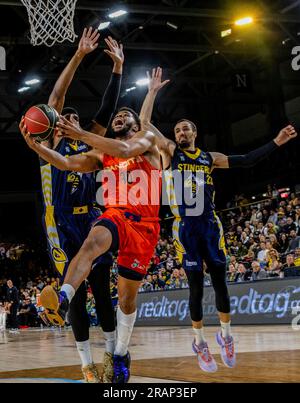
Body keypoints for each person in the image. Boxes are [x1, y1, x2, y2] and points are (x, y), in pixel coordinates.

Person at [139, 66, 297, 373]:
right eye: (177, 130)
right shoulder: (171, 153)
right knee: (196, 288)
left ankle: (226, 336)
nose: (180, 133)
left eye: (185, 129)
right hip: (185, 227)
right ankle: (199, 342)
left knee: (221, 284)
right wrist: (152, 91)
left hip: (210, 224)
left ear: (195, 133)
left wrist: (276, 142)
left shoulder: (210, 158)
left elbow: (247, 160)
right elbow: (145, 123)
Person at [22, 105, 161, 383]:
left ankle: (120, 354)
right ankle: (63, 298)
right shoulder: (102, 153)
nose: (119, 117)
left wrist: (81, 133)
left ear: (135, 123)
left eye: (125, 115)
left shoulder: (147, 141)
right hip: (115, 215)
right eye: (116, 116)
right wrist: (35, 146)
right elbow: (65, 163)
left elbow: (124, 151)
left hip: (145, 225)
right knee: (91, 243)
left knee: (126, 299)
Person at [19, 28, 124, 383]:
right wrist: (79, 55)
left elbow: (107, 110)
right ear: (54, 126)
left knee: (103, 297)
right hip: (60, 227)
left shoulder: (88, 148)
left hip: (91, 222)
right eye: (65, 118)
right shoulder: (48, 149)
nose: (70, 120)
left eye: (76, 120)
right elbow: (56, 97)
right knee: (76, 299)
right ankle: (86, 365)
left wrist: (117, 71)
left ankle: (112, 357)